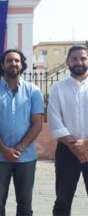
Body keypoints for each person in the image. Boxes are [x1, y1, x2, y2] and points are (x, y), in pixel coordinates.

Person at [0, 49, 44, 216]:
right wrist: (4, 150)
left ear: (22, 64)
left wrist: (20, 148)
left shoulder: (34, 91)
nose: (13, 64)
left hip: (26, 158)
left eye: (17, 61)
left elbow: (37, 124)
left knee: (25, 207)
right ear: (2, 65)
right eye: (9, 61)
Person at [48, 45, 88, 216]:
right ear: (67, 62)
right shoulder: (58, 87)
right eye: (74, 59)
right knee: (63, 202)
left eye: (83, 58)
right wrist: (75, 146)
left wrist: (85, 143)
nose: (79, 62)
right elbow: (55, 120)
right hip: (66, 150)